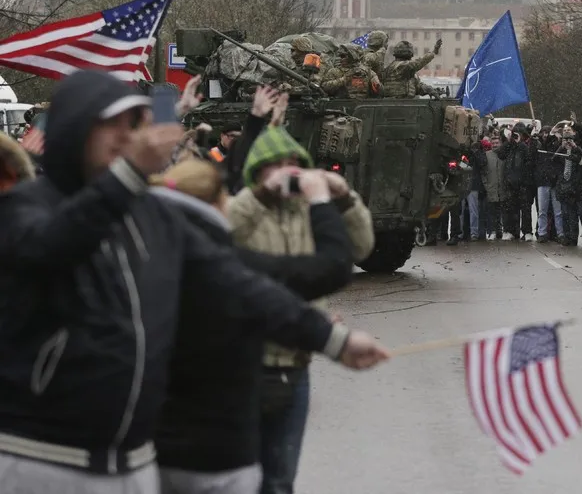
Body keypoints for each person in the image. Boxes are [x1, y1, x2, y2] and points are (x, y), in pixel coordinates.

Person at [0, 70, 388, 494]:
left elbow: (239, 284)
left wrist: (331, 339)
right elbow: (48, 248)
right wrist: (130, 174)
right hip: (39, 460)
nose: (122, 137)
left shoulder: (154, 216)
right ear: (74, 129)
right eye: (106, 124)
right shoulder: (26, 206)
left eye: (130, 125)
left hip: (132, 467)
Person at [149, 160, 370, 494]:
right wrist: (322, 200)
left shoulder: (139, 258)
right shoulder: (222, 268)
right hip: (219, 460)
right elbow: (323, 273)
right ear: (217, 206)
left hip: (151, 452)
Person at [227, 123, 376, 494]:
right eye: (276, 164)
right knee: (239, 479)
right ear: (257, 172)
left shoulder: (314, 213)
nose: (288, 171)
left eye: (295, 163)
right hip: (244, 368)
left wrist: (343, 198)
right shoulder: (245, 207)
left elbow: (361, 247)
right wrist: (263, 193)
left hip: (295, 366)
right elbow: (217, 233)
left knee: (280, 480)